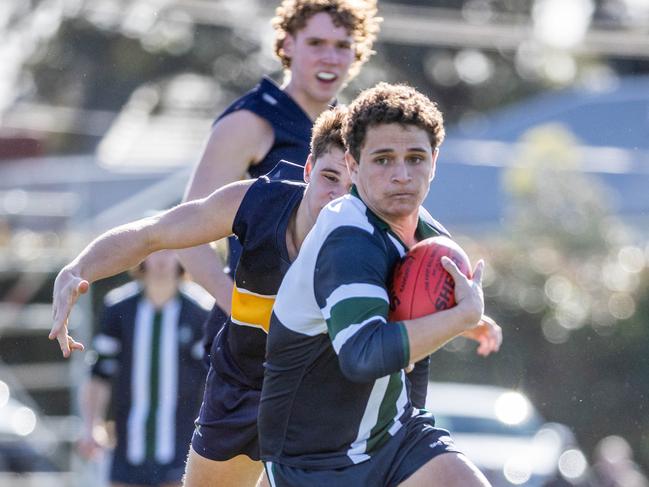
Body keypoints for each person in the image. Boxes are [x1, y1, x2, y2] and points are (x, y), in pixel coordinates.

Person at [50, 107, 354, 487]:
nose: (340, 197)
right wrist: (78, 268)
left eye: (355, 186)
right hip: (242, 387)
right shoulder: (255, 202)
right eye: (330, 177)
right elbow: (154, 233)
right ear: (308, 169)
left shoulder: (389, 235)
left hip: (322, 398)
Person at [258, 83, 501, 487]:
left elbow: (416, 308)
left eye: (416, 158)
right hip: (315, 456)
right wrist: (460, 318)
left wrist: (463, 319)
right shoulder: (347, 239)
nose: (402, 175)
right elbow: (363, 355)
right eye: (383, 159)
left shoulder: (429, 237)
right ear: (353, 165)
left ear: (435, 162)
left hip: (395, 436)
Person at [177, 0, 381, 360]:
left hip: (324, 345)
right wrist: (249, 314)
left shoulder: (353, 131)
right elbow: (186, 239)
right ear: (287, 44)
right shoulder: (250, 121)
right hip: (251, 355)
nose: (330, 57)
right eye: (316, 43)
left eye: (343, 45)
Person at [77, 250, 210, 487]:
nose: (161, 258)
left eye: (169, 250)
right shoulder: (118, 307)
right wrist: (91, 425)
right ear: (141, 255)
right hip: (128, 445)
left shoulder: (201, 311)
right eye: (153, 250)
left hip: (182, 444)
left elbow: (212, 380)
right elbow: (99, 373)